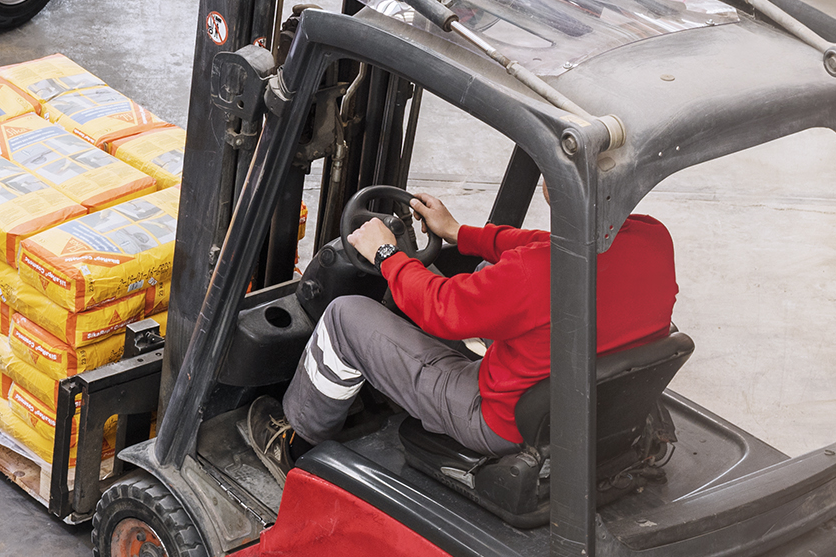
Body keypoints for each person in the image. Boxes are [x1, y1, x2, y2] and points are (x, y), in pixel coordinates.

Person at [242, 190, 676, 471]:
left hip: (498, 420)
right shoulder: (652, 236)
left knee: (343, 318)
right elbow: (544, 244)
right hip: (581, 398)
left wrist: (388, 255)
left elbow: (441, 309)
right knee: (487, 270)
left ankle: (297, 443)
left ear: (550, 184)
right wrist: (457, 233)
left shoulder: (533, 276)